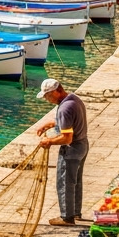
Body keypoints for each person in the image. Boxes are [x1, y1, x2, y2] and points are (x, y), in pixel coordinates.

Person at [34, 78, 90, 226]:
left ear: (55, 92)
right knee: (76, 181)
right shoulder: (73, 99)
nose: (47, 100)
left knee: (65, 182)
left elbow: (67, 138)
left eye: (47, 96)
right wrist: (50, 124)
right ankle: (76, 212)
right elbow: (68, 122)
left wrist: (49, 141)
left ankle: (67, 217)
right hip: (83, 145)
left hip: (72, 150)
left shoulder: (65, 108)